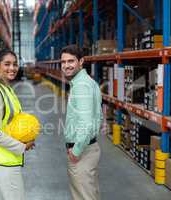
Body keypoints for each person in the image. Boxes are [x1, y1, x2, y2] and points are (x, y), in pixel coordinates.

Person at [0, 50, 35, 200]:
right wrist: (22, 147)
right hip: (3, 160)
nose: (12, 68)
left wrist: (25, 137)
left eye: (15, 64)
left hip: (4, 157)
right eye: (7, 64)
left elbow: (10, 124)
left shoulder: (6, 88)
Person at [60, 45, 103, 200]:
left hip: (83, 151)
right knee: (91, 194)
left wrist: (76, 150)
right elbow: (98, 117)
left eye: (71, 61)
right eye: (63, 62)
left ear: (81, 61)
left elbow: (86, 123)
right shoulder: (88, 82)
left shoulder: (81, 86)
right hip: (89, 147)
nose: (66, 65)